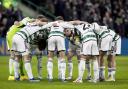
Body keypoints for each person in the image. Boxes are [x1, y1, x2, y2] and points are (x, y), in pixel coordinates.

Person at [12, 16, 48, 82]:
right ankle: (31, 78)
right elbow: (46, 24)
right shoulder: (38, 26)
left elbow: (18, 23)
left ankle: (16, 76)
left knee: (17, 57)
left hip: (15, 37)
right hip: (21, 39)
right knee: (26, 58)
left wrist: (17, 22)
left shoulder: (28, 22)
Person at [41, 16, 74, 82]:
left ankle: (50, 77)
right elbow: (72, 27)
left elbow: (43, 27)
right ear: (62, 20)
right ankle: (63, 78)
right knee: (62, 58)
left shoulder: (52, 23)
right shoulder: (62, 23)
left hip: (51, 37)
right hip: (60, 37)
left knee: (50, 58)